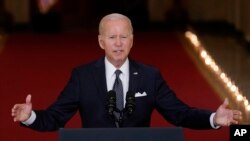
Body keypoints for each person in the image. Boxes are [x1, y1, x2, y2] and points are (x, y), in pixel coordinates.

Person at [11, 13, 242, 131]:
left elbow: (179, 113)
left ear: (132, 41)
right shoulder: (82, 77)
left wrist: (214, 118)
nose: (118, 43)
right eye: (112, 37)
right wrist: (29, 117)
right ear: (101, 42)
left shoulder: (150, 76)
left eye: (124, 37)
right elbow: (54, 118)